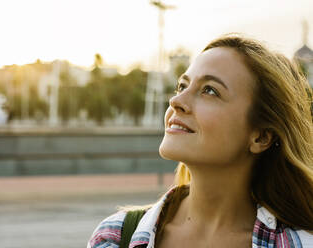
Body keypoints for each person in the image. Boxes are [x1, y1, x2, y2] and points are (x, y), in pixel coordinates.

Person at [87, 34, 313, 248]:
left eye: (210, 91)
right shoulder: (115, 238)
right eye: (182, 86)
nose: (176, 100)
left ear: (261, 136)